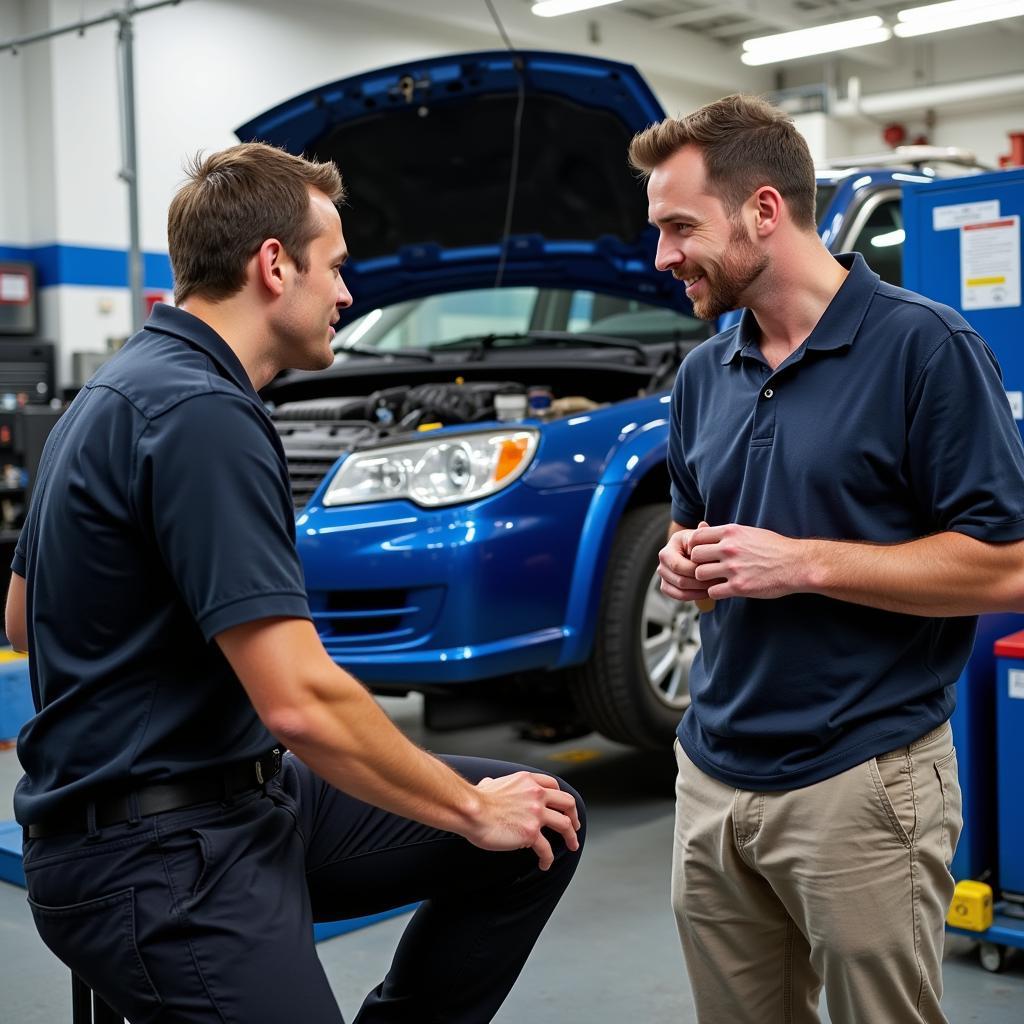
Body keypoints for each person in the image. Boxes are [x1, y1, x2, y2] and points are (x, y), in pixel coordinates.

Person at [5, 142, 584, 1024]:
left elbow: (22, 611)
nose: (348, 295)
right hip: (158, 854)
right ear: (274, 264)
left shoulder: (116, 389)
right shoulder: (202, 414)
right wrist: (467, 807)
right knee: (499, 820)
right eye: (338, 265)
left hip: (237, 795)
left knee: (542, 820)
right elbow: (301, 703)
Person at [628, 95, 1024, 1024]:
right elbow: (696, 529)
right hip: (713, 774)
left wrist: (805, 563)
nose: (663, 257)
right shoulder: (701, 373)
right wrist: (682, 562)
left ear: (764, 210)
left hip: (863, 779)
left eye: (680, 227)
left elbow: (1007, 566)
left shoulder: (925, 349)